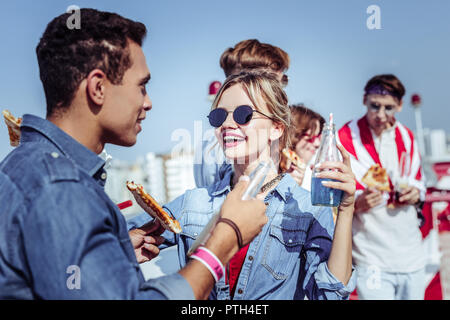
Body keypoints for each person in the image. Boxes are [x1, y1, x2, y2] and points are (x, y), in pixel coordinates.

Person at [0, 8, 268, 300]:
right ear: (98, 88)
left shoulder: (26, 165)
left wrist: (113, 254)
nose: (149, 102)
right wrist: (225, 241)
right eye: (142, 86)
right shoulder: (61, 187)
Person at [134, 71, 357, 300]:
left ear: (276, 128)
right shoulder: (193, 202)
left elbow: (331, 294)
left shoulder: (306, 209)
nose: (228, 124)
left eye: (244, 114)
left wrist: (346, 209)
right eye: (219, 116)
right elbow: (113, 238)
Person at [338, 74, 427, 300]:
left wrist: (416, 194)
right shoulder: (346, 137)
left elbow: (420, 182)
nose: (380, 114)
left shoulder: (407, 136)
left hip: (411, 254)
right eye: (374, 106)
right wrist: (357, 203)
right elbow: (333, 194)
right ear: (364, 100)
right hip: (371, 256)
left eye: (388, 108)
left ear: (400, 105)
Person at [194, 39, 290, 188]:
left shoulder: (277, 135)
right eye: (272, 83)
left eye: (283, 81)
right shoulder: (216, 148)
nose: (280, 92)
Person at [280, 104, 325, 191]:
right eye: (311, 137)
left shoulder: (313, 178)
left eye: (318, 137)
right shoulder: (269, 165)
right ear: (293, 133)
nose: (317, 144)